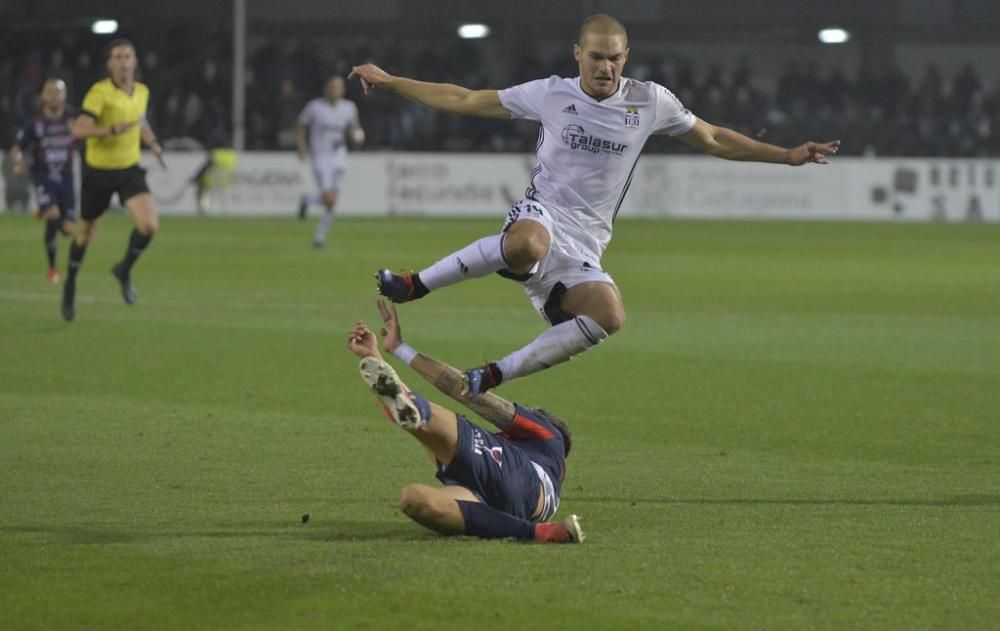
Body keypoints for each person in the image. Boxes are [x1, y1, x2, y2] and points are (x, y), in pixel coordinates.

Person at [349, 14, 841, 395]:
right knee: (527, 243)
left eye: (615, 58)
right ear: (577, 54)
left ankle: (493, 375)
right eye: (597, 57)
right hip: (541, 212)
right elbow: (463, 99)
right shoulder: (550, 94)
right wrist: (391, 81)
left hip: (586, 242)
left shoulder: (650, 101)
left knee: (610, 315)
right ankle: (416, 285)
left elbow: (712, 137)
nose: (606, 67)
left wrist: (787, 156)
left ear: (627, 56)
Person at [345, 299, 584, 543]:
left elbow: (470, 394)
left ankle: (417, 409)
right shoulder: (550, 493)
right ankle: (538, 533)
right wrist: (376, 359)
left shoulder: (549, 436)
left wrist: (400, 348)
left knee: (427, 424)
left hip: (513, 473)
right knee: (413, 500)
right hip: (500, 504)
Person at [63, 38, 166, 322]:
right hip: (99, 172)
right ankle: (70, 283)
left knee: (149, 225)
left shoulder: (141, 91)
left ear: (135, 61)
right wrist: (109, 129)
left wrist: (154, 145)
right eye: (118, 57)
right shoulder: (100, 93)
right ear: (110, 64)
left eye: (128, 56)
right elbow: (78, 129)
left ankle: (124, 269)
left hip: (129, 170)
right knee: (85, 234)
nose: (123, 61)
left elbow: (140, 122)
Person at [8, 79, 76, 283]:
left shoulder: (73, 120)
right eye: (50, 91)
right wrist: (18, 161)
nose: (54, 95)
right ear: (43, 97)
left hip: (67, 179)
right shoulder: (34, 124)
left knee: (67, 229)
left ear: (65, 96)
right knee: (53, 215)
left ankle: (45, 210)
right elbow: (17, 148)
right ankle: (52, 269)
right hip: (44, 178)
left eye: (58, 91)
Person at [294, 76, 365, 248]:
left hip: (339, 155)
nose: (334, 90)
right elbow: (299, 125)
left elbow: (354, 128)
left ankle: (318, 233)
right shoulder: (314, 107)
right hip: (320, 156)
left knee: (332, 199)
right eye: (331, 87)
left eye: (337, 87)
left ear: (342, 90)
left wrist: (357, 136)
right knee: (329, 199)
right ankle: (314, 220)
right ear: (326, 89)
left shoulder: (349, 108)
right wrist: (301, 145)